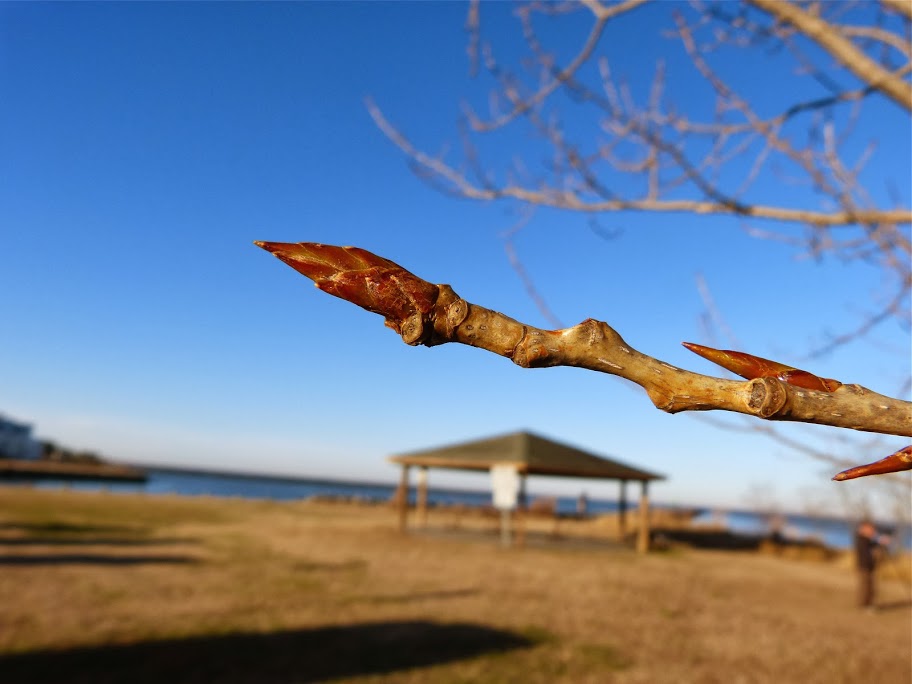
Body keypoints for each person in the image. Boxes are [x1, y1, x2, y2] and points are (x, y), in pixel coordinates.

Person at [854, 520, 891, 610]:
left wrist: (881, 543)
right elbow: (870, 549)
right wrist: (880, 543)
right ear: (863, 529)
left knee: (870, 587)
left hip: (869, 566)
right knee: (866, 587)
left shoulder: (866, 540)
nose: (873, 532)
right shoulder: (862, 539)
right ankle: (865, 605)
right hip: (865, 566)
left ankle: (867, 604)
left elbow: (873, 545)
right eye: (871, 529)